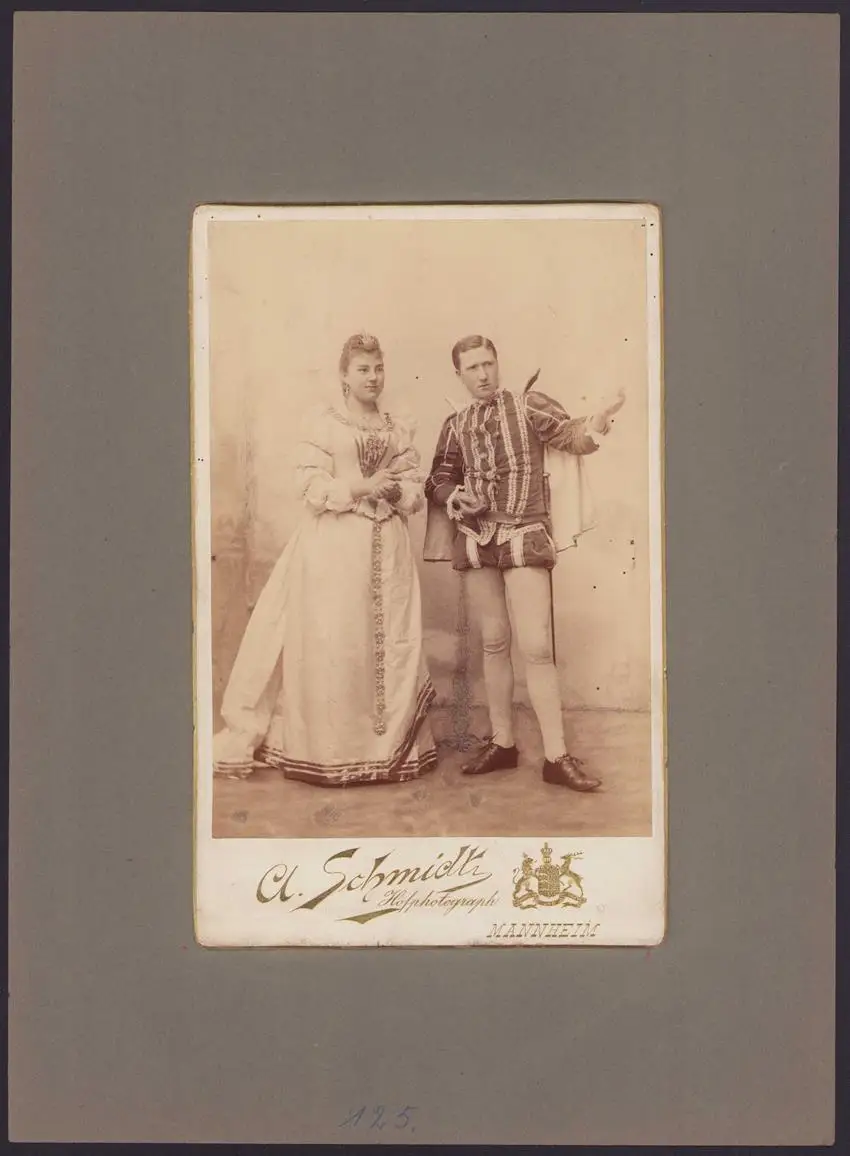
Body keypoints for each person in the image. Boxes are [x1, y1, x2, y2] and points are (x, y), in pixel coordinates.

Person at [213, 333, 437, 787]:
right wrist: (362, 486)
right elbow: (311, 486)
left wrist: (397, 490)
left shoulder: (397, 427)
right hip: (336, 546)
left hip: (387, 546)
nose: (373, 378)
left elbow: (415, 487)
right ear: (344, 375)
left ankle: (386, 749)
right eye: (363, 370)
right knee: (339, 640)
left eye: (378, 368)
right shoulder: (324, 424)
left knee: (386, 641)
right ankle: (336, 752)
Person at [423, 335, 625, 791]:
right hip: (477, 539)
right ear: (459, 374)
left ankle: (556, 756)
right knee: (494, 642)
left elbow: (572, 436)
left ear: (497, 364)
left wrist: (601, 416)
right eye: (472, 367)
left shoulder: (528, 405)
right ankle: (503, 744)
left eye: (488, 363)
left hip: (524, 532)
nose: (483, 374)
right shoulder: (455, 423)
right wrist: (455, 495)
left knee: (536, 646)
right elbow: (438, 477)